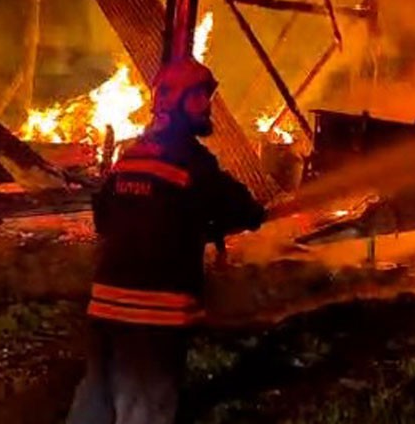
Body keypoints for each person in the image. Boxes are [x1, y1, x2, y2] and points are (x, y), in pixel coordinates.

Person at [67, 57, 266, 424]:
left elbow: (106, 219)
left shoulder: (131, 157)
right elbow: (241, 209)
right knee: (145, 411)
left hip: (105, 307)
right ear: (182, 102)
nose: (207, 107)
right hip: (154, 314)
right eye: (201, 98)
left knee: (95, 405)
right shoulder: (192, 161)